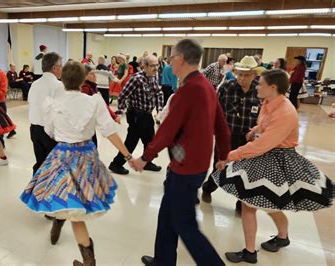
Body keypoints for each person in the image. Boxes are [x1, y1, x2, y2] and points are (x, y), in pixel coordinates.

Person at [21, 61, 136, 266]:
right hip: (86, 156)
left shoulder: (54, 103)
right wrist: (128, 156)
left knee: (63, 196)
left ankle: (81, 254)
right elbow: (109, 131)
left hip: (62, 153)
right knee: (76, 203)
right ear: (83, 79)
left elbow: (49, 131)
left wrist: (65, 133)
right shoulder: (94, 102)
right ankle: (73, 244)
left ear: (62, 80)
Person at [212, 69, 333, 264]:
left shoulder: (286, 111)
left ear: (273, 87)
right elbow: (265, 125)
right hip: (267, 154)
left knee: (250, 205)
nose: (256, 86)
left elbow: (262, 146)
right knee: (263, 204)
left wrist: (229, 156)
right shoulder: (268, 102)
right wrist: (255, 129)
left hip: (276, 158)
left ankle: (250, 252)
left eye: (260, 84)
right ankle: (282, 237)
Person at [135, 39, 230, 266]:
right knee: (167, 216)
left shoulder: (189, 89)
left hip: (186, 169)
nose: (169, 64)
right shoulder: (205, 85)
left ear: (181, 59)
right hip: (192, 165)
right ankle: (163, 260)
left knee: (185, 225)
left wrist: (145, 157)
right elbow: (222, 127)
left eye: (170, 59)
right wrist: (223, 155)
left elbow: (167, 129)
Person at [201, 55, 260, 213]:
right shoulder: (226, 87)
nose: (242, 78)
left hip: (249, 139)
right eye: (239, 74)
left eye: (246, 75)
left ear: (254, 74)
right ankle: (208, 188)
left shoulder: (260, 90)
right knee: (220, 167)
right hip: (226, 136)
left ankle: (241, 205)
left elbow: (265, 115)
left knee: (245, 172)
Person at [108, 55, 164, 175]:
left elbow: (158, 93)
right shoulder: (136, 78)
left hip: (147, 115)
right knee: (131, 142)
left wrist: (160, 109)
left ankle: (147, 162)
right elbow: (123, 94)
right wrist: (120, 111)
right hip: (136, 116)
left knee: (150, 141)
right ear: (145, 66)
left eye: (157, 65)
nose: (156, 68)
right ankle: (116, 164)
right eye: (153, 65)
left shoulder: (154, 77)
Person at [28, 52, 65, 176]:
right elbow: (60, 111)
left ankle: (36, 191)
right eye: (61, 66)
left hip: (34, 129)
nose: (62, 69)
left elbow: (31, 103)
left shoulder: (34, 84)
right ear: (55, 68)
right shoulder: (58, 86)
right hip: (50, 132)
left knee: (40, 163)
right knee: (54, 166)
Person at [81, 64, 121, 146]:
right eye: (92, 74)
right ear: (85, 76)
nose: (95, 76)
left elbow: (102, 103)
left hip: (90, 124)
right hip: (85, 125)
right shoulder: (85, 88)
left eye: (95, 73)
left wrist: (114, 116)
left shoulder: (92, 86)